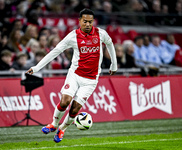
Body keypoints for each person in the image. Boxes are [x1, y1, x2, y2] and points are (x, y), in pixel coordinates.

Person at [26, 8, 117, 143]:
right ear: (79, 21)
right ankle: (54, 124)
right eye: (85, 21)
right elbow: (55, 51)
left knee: (75, 108)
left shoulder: (101, 34)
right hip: (75, 75)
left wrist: (113, 65)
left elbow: (110, 44)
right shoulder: (72, 36)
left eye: (90, 22)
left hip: (91, 80)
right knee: (65, 101)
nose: (87, 24)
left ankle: (62, 128)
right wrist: (37, 67)